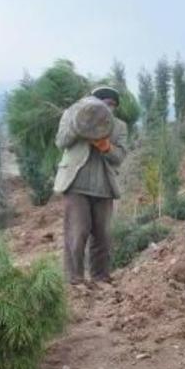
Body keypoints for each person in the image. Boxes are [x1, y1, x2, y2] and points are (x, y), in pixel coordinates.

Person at [54, 87, 128, 288]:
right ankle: (74, 278)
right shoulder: (71, 116)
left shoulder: (119, 127)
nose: (108, 107)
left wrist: (106, 146)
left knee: (103, 234)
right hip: (76, 183)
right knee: (78, 231)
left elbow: (119, 157)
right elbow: (61, 142)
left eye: (112, 105)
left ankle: (100, 276)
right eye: (104, 102)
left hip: (104, 186)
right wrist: (79, 127)